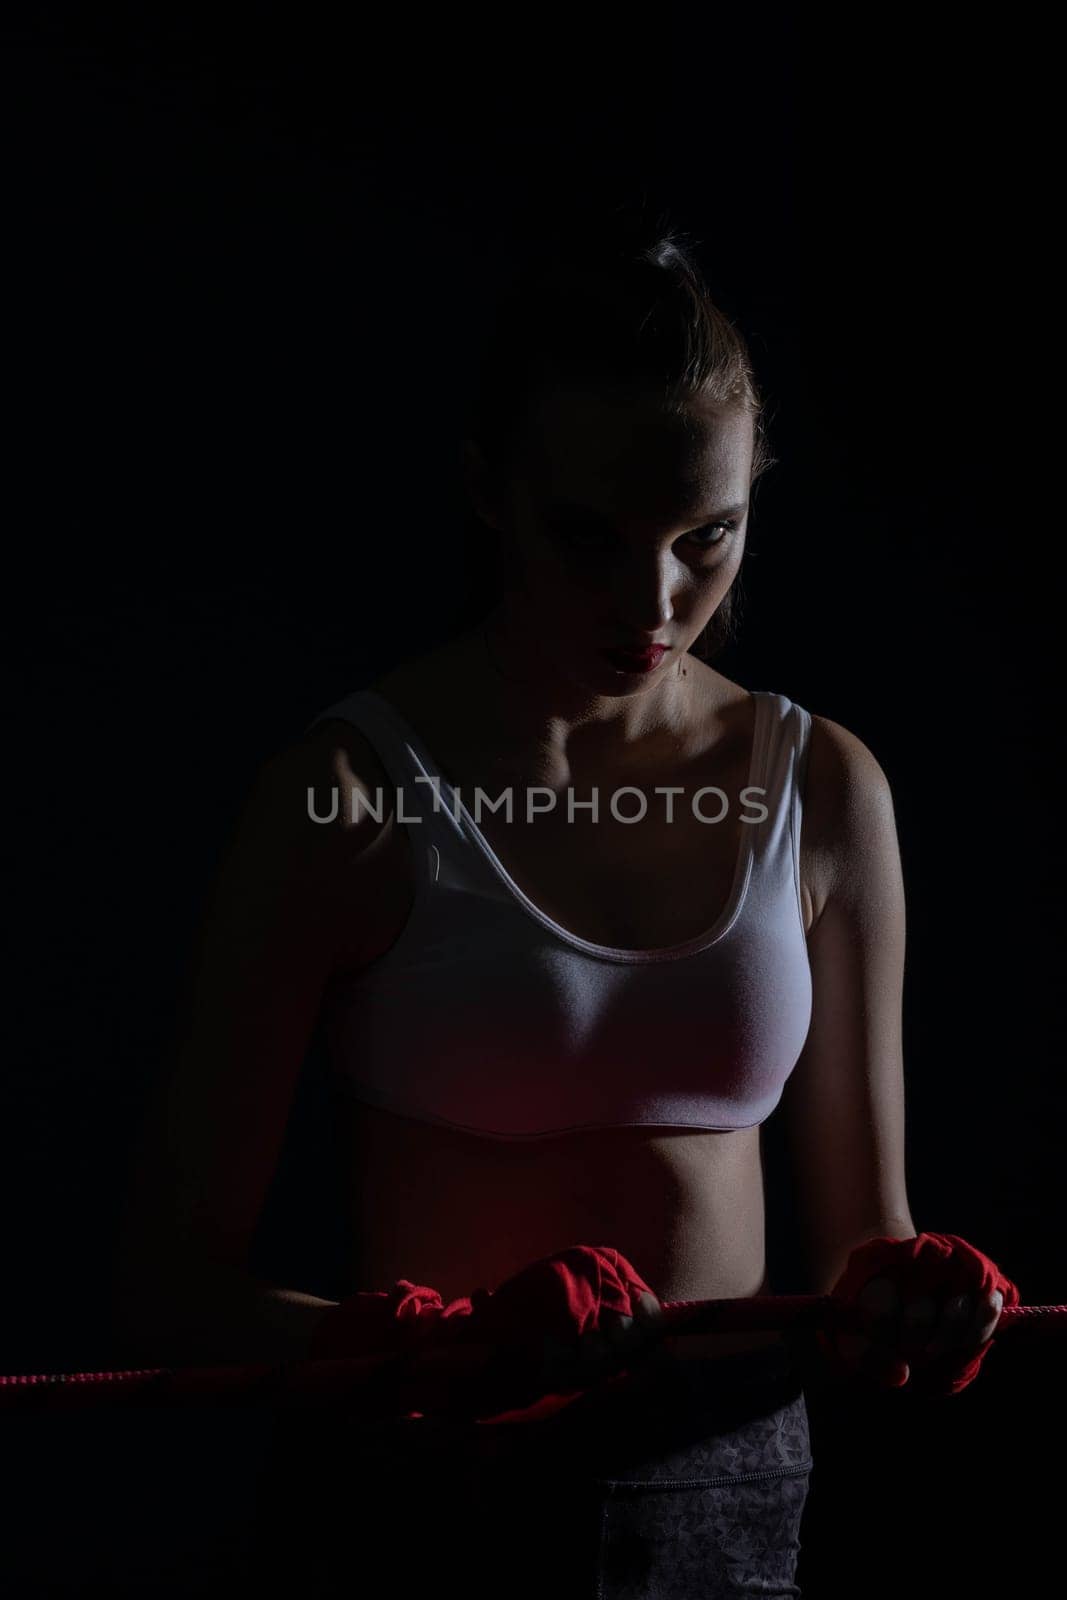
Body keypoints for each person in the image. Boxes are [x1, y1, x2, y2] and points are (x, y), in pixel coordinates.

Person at [111, 212, 1009, 1597]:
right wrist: (423, 1354)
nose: (654, 600)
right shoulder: (347, 795)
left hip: (730, 1493)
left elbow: (856, 1264)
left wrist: (920, 1301)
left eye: (706, 536)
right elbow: (171, 1288)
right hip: (427, 1500)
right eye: (587, 536)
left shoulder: (821, 785)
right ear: (488, 490)